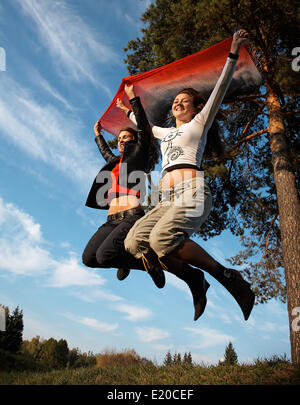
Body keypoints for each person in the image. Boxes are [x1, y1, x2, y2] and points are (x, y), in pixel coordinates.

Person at [123, 29, 255, 321]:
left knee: (160, 240)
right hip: (163, 199)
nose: (178, 103)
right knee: (134, 243)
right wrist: (128, 107)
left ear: (195, 107)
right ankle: (195, 280)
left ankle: (227, 277)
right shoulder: (167, 132)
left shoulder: (198, 124)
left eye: (185, 101)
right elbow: (144, 125)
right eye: (176, 101)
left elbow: (220, 88)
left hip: (191, 192)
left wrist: (233, 52)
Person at [82, 98, 165, 289]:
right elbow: (105, 152)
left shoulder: (139, 157)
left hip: (131, 216)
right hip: (111, 219)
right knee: (89, 258)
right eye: (119, 139)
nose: (120, 142)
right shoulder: (115, 163)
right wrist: (97, 135)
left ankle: (151, 264)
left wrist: (131, 104)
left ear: (134, 140)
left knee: (104, 256)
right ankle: (127, 260)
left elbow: (144, 128)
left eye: (125, 138)